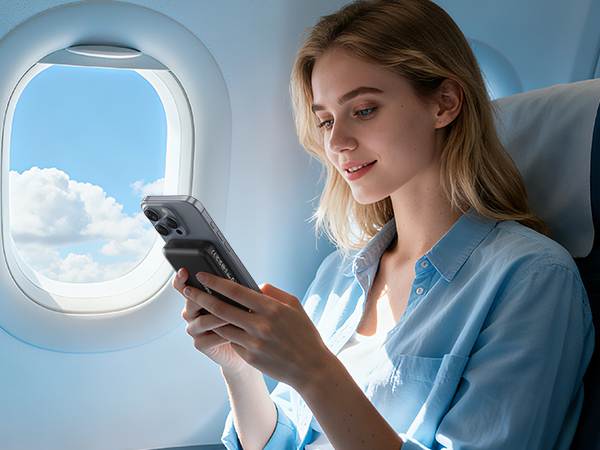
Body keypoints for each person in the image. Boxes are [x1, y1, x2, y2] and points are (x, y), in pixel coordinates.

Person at [175, 0, 595, 449]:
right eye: (326, 120)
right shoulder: (340, 273)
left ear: (444, 104)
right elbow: (282, 440)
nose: (336, 142)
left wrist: (313, 370)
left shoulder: (531, 277)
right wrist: (238, 366)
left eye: (364, 110)